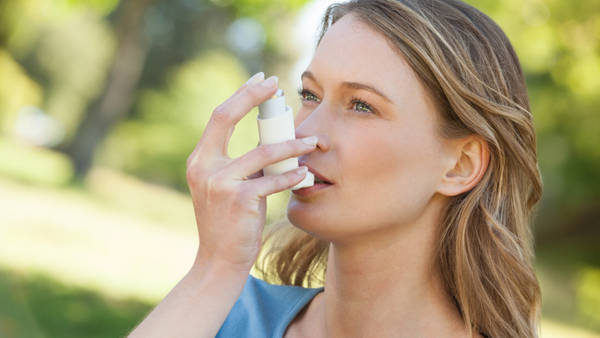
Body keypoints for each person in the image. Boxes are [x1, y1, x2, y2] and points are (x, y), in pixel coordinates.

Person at [128, 0, 543, 337]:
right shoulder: (218, 312)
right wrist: (214, 268)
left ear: (460, 165)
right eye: (309, 95)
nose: (305, 132)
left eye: (361, 105)